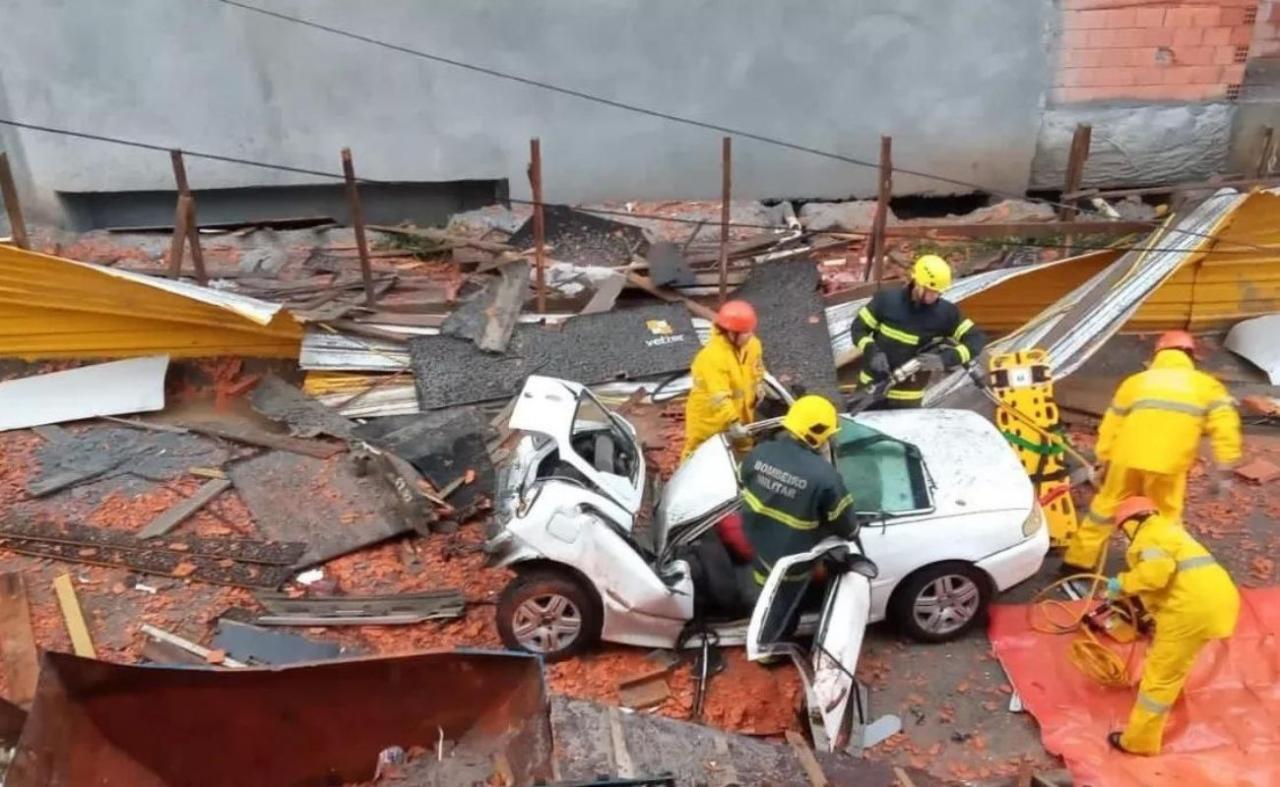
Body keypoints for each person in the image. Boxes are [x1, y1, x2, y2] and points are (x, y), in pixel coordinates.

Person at [1062, 330, 1241, 572]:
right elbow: (1226, 427)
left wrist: (1103, 460)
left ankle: (1076, 563)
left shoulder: (1135, 382)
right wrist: (1225, 466)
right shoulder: (1207, 386)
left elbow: (1111, 425)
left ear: (1158, 353)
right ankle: (1157, 567)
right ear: (1190, 355)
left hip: (1126, 459)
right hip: (1168, 465)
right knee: (1164, 517)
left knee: (1104, 509)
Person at [1104, 496, 1239, 755]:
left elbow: (1155, 576)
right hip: (1219, 602)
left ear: (1129, 523)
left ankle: (1139, 742)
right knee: (1176, 662)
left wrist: (1122, 583)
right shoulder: (1169, 530)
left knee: (1160, 678)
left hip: (1189, 611)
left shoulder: (1147, 537)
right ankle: (1168, 692)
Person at [738, 395, 857, 640]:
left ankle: (763, 626)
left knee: (763, 590)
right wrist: (853, 532)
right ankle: (770, 646)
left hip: (756, 546)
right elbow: (845, 524)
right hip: (791, 560)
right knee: (782, 606)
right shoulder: (825, 477)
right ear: (817, 433)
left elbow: (744, 482)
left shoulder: (759, 452)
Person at [850, 254, 986, 409]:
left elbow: (976, 340)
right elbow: (858, 329)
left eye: (938, 292)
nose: (934, 296)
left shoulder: (945, 314)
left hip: (907, 400)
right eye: (929, 291)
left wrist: (944, 359)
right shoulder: (886, 302)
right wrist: (871, 350)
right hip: (869, 392)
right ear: (917, 282)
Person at [682, 299, 765, 460]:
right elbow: (719, 397)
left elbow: (758, 366)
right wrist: (733, 422)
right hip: (709, 419)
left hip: (742, 412)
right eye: (745, 332)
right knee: (698, 454)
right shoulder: (712, 358)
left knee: (744, 447)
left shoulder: (752, 345)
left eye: (750, 331)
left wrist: (758, 385)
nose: (750, 336)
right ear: (730, 332)